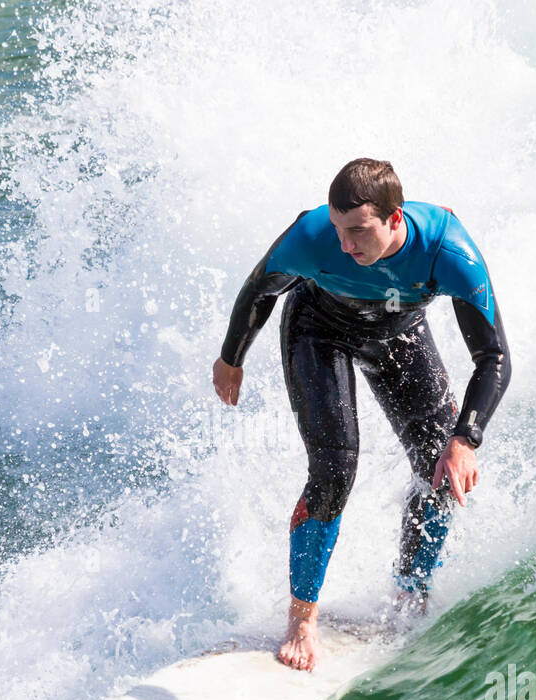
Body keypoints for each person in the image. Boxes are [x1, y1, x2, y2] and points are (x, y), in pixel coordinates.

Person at [212, 158, 510, 672]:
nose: (346, 245)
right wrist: (231, 357)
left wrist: (466, 440)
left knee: (439, 470)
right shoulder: (311, 236)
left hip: (398, 333)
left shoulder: (448, 249)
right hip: (318, 331)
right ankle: (301, 619)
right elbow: (260, 288)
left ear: (395, 220)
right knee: (333, 471)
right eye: (338, 229)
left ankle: (409, 594)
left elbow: (494, 357)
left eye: (358, 231)